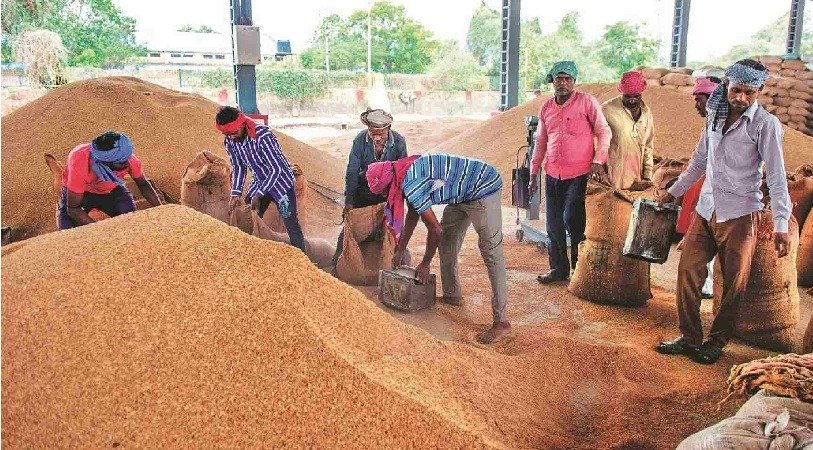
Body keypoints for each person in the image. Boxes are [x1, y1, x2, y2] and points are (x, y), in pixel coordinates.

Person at [656, 59, 792, 364]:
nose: (741, 97)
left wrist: (781, 223)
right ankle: (690, 337)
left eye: (749, 92)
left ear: (759, 91)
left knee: (734, 284)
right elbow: (698, 163)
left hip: (742, 214)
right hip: (706, 210)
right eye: (736, 90)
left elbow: (777, 176)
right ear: (726, 86)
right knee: (687, 272)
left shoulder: (765, 125)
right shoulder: (714, 117)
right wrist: (673, 193)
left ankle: (716, 342)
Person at [366, 153, 510, 344]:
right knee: (447, 242)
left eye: (384, 193)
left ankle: (502, 323)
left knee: (491, 251)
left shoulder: (411, 184)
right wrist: (400, 249)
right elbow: (413, 214)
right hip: (461, 192)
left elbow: (435, 230)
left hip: (483, 186)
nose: (386, 196)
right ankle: (452, 295)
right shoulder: (403, 171)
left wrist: (425, 263)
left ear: (388, 184)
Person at [528, 60, 612, 284]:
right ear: (552, 82)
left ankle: (578, 269)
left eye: (567, 79)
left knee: (573, 220)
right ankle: (558, 269)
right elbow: (541, 140)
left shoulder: (586, 102)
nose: (563, 83)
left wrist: (599, 159)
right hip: (553, 172)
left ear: (574, 82)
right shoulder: (546, 107)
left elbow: (603, 131)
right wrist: (533, 171)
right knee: (553, 224)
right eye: (559, 79)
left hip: (580, 173)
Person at [215, 106, 305, 251]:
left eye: (234, 132)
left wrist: (260, 193)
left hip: (281, 182)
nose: (231, 137)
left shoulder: (263, 136)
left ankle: (303, 260)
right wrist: (235, 193)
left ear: (242, 123)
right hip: (260, 181)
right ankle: (252, 253)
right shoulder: (230, 140)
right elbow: (238, 167)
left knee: (290, 221)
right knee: (248, 217)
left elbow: (277, 169)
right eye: (227, 134)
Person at [334, 109, 408, 265]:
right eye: (372, 133)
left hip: (388, 195)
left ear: (388, 128)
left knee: (395, 232)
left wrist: (393, 198)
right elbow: (352, 171)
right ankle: (336, 265)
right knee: (351, 229)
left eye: (380, 133)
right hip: (364, 191)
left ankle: (399, 266)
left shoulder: (399, 142)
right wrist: (349, 200)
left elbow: (402, 172)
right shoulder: (360, 140)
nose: (376, 137)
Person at [58, 131, 162, 229]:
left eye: (126, 158)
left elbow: (143, 184)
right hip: (82, 193)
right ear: (105, 162)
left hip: (111, 190)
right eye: (121, 163)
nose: (126, 163)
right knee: (67, 229)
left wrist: (162, 209)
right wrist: (102, 231)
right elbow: (73, 209)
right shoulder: (80, 163)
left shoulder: (127, 158)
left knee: (130, 220)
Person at [678, 76, 722, 298]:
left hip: (728, 200)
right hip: (709, 194)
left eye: (699, 99)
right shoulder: (710, 123)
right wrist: (674, 190)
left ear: (713, 98)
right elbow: (698, 162)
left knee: (717, 244)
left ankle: (711, 286)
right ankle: (705, 285)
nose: (696, 105)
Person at [602, 70, 655, 190]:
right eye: (627, 96)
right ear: (621, 92)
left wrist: (647, 176)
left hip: (637, 178)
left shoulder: (647, 112)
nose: (632, 100)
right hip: (613, 176)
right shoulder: (607, 109)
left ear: (641, 93)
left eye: (636, 96)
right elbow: (593, 140)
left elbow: (648, 145)